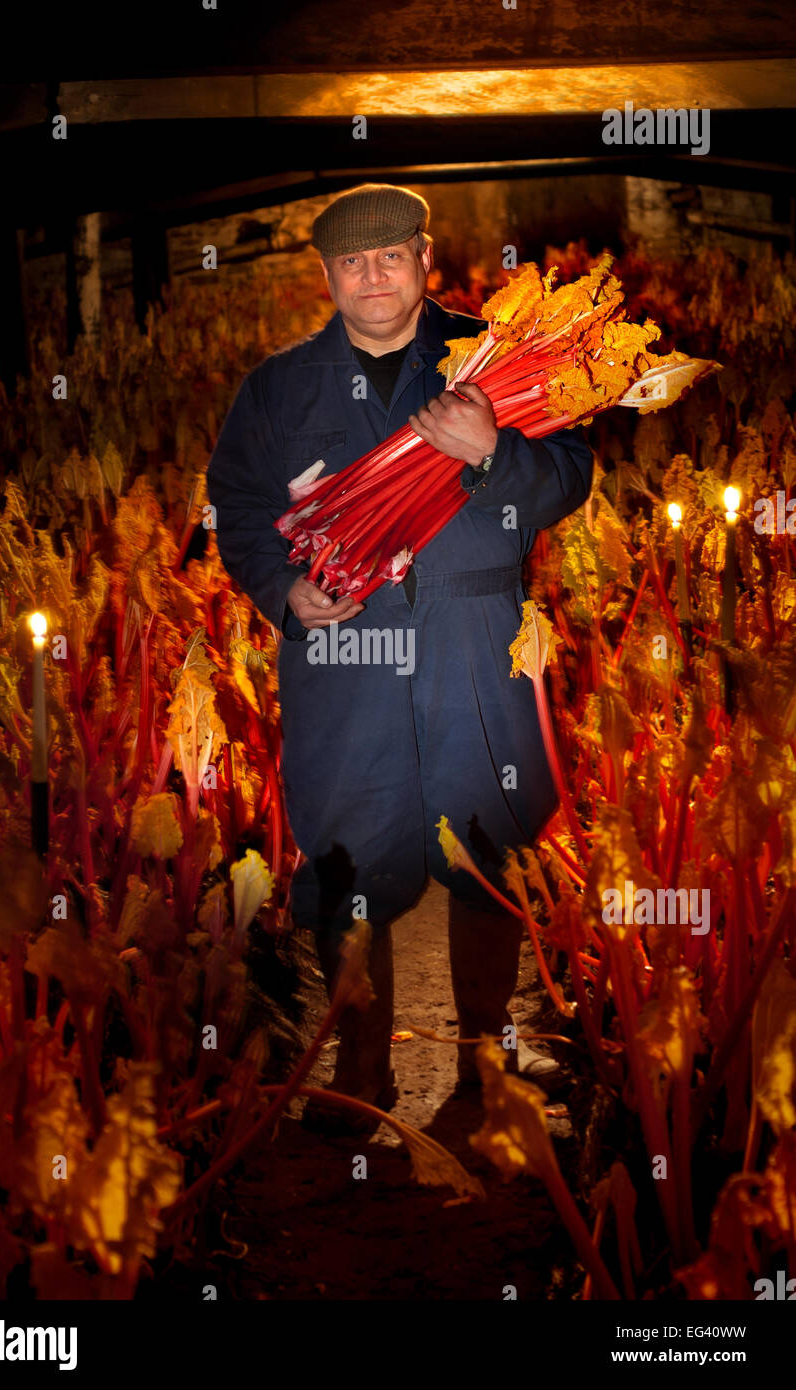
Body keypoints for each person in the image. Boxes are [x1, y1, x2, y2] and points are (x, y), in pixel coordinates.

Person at [207, 183, 593, 1135]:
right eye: (351, 262)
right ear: (328, 275)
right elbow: (239, 507)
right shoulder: (278, 387)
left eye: (390, 258)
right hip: (342, 655)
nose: (372, 277)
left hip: (474, 644)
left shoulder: (490, 361)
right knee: (346, 862)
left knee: (488, 850)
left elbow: (569, 478)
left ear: (424, 259)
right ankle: (364, 1065)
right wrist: (283, 593)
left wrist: (492, 452)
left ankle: (483, 1067)